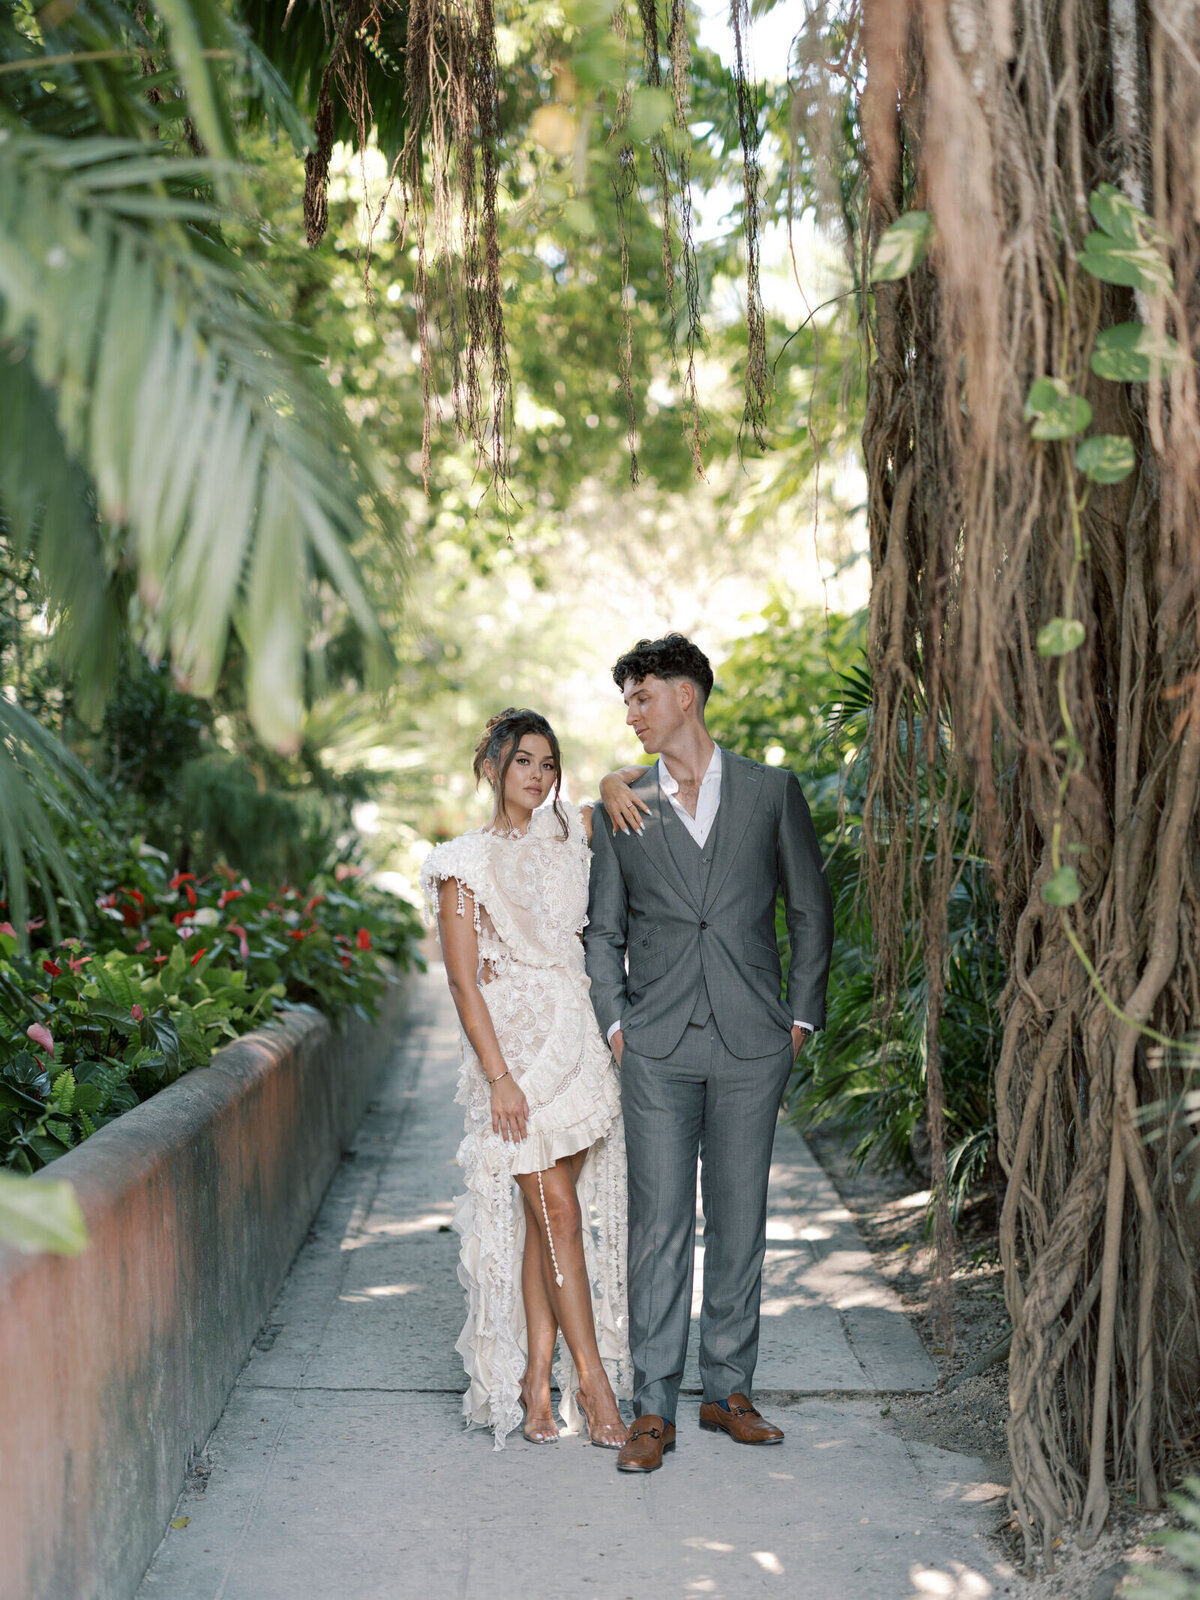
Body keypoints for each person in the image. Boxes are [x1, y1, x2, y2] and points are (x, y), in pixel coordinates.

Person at [584, 634, 834, 1474]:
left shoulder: (771, 792)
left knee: (740, 1220)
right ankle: (653, 1407)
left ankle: (729, 1391)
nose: (632, 714)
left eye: (641, 697)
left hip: (751, 1037)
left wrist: (799, 1020)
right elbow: (604, 929)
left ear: (685, 696)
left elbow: (809, 909)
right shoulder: (620, 802)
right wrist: (615, 1024)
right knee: (657, 1226)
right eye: (627, 701)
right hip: (654, 1043)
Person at [421, 709, 641, 1451]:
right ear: (491, 766)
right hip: (514, 1061)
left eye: (549, 763)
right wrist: (499, 1078)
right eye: (523, 762)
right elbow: (461, 980)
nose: (538, 776)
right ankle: (593, 1381)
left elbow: (655, 777)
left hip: (576, 1044)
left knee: (552, 1223)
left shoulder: (575, 832)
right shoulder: (460, 864)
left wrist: (611, 777)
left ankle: (535, 1377)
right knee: (558, 1216)